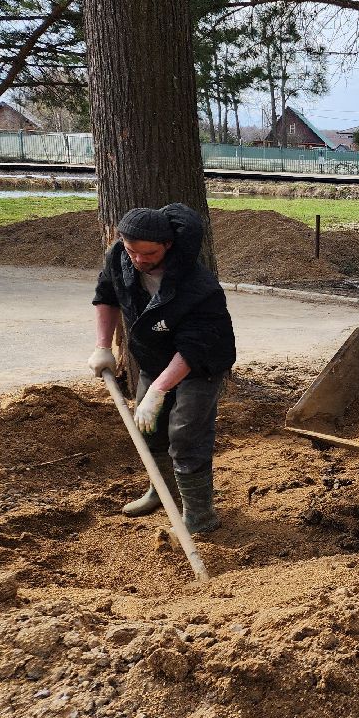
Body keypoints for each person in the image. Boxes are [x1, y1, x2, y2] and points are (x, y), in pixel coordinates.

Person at [88, 204, 236, 535]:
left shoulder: (198, 285)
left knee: (185, 436)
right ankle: (162, 491)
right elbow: (107, 296)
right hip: (154, 359)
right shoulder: (119, 257)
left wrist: (158, 390)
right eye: (132, 251)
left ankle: (199, 516)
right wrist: (103, 346)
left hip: (200, 363)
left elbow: (194, 348)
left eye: (149, 253)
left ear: (167, 245)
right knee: (149, 428)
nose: (139, 260)